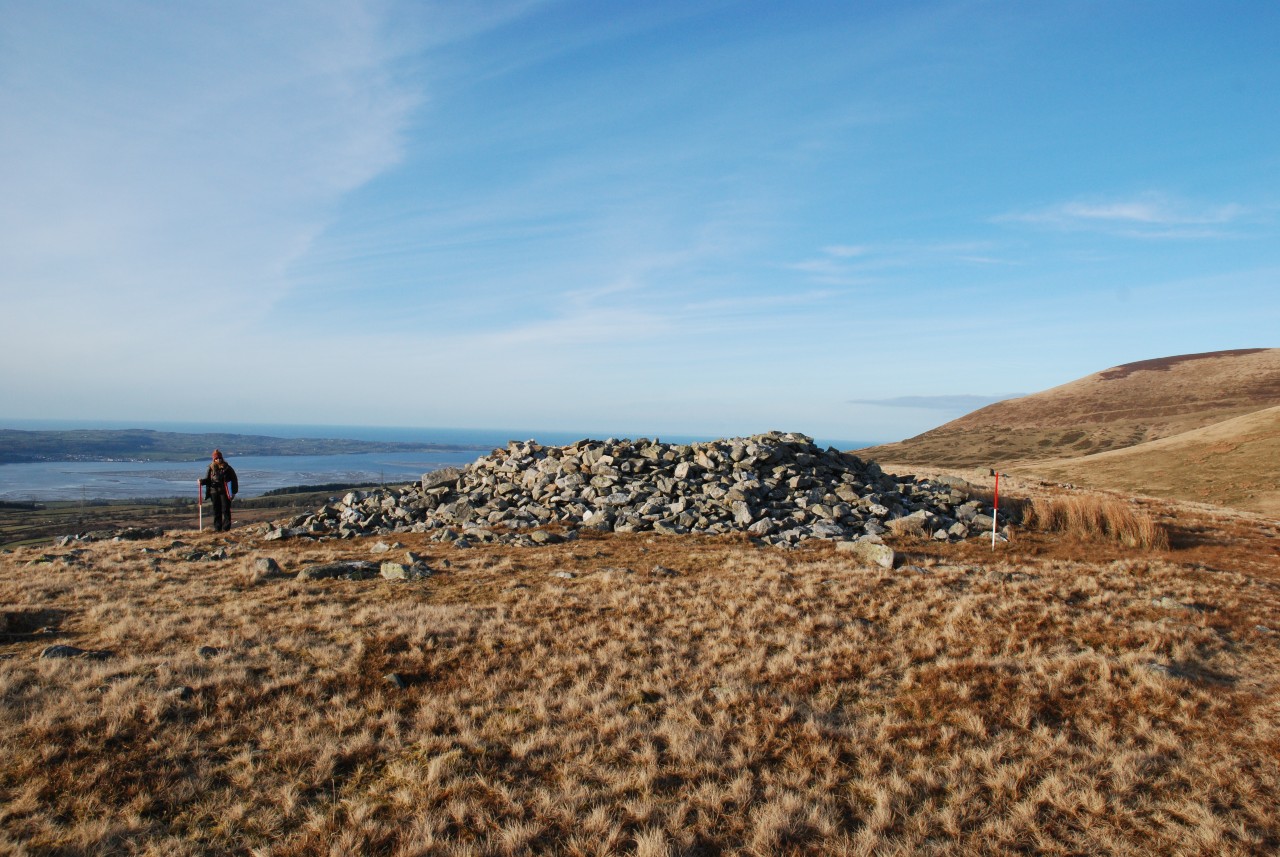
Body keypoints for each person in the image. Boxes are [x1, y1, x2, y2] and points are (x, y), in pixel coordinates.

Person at [200, 449, 239, 531]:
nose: (218, 460)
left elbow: (234, 479)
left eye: (220, 458)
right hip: (214, 492)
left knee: (226, 509)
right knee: (216, 510)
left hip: (225, 492)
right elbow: (208, 480)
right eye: (216, 458)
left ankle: (226, 528)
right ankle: (217, 528)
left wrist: (234, 492)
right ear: (214, 459)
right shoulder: (210, 468)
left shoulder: (227, 468)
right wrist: (201, 481)